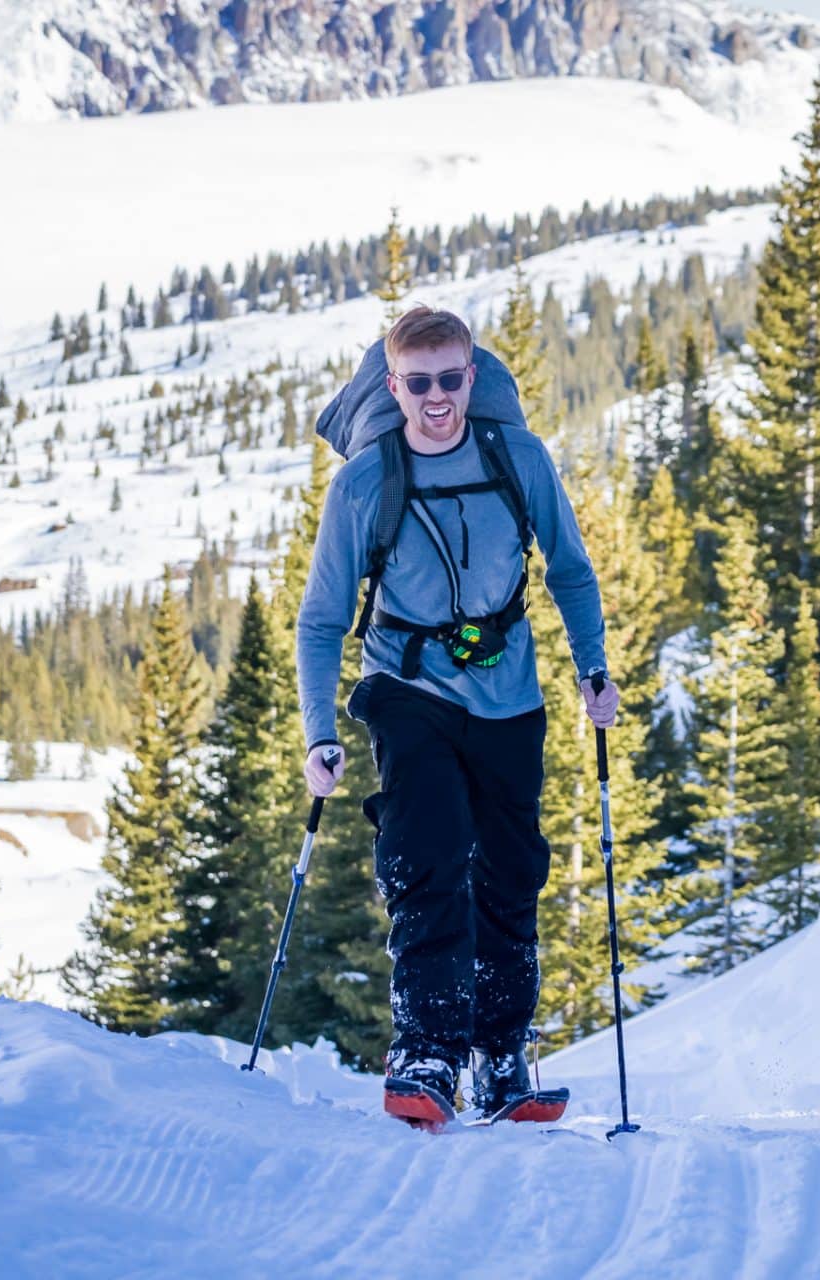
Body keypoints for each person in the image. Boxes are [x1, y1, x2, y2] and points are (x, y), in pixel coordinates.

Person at [295, 305, 620, 1119]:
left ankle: (501, 1055)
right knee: (427, 854)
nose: (435, 397)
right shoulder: (365, 482)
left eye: (449, 378)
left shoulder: (518, 457)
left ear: (472, 377)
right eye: (418, 383)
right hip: (407, 686)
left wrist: (593, 668)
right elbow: (322, 619)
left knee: (512, 870)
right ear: (392, 386)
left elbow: (570, 570)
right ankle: (428, 1052)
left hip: (509, 691)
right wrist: (319, 733)